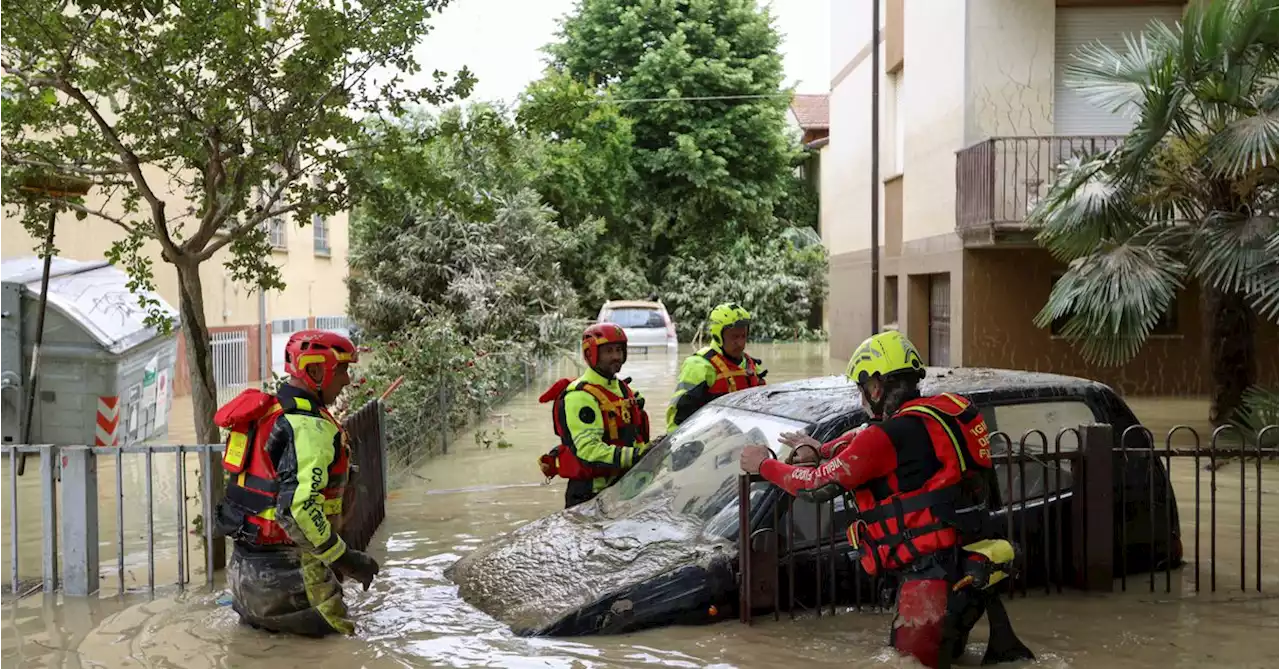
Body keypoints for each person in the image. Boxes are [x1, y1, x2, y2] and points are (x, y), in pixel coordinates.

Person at [739, 330, 1034, 669]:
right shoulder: (946, 413)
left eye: (861, 388)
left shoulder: (886, 437)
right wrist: (818, 448)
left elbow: (816, 486)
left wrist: (764, 464)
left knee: (908, 664)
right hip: (970, 569)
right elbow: (865, 439)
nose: (862, 397)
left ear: (876, 387)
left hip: (929, 580)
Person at [213, 329, 381, 638]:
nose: (346, 379)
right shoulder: (309, 427)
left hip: (242, 582)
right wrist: (347, 560)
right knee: (347, 647)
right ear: (315, 369)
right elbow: (297, 510)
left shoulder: (268, 414)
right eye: (342, 369)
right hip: (293, 582)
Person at [538, 323, 652, 508]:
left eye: (619, 350)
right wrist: (637, 455)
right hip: (590, 495)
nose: (616, 356)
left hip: (623, 488)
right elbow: (588, 450)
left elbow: (635, 438)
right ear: (592, 354)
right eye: (608, 351)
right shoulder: (579, 396)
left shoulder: (623, 389)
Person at [666, 302, 767, 433]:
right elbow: (677, 417)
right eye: (734, 337)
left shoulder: (751, 365)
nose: (741, 343)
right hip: (711, 440)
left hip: (744, 438)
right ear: (718, 336)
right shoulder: (699, 366)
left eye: (744, 336)